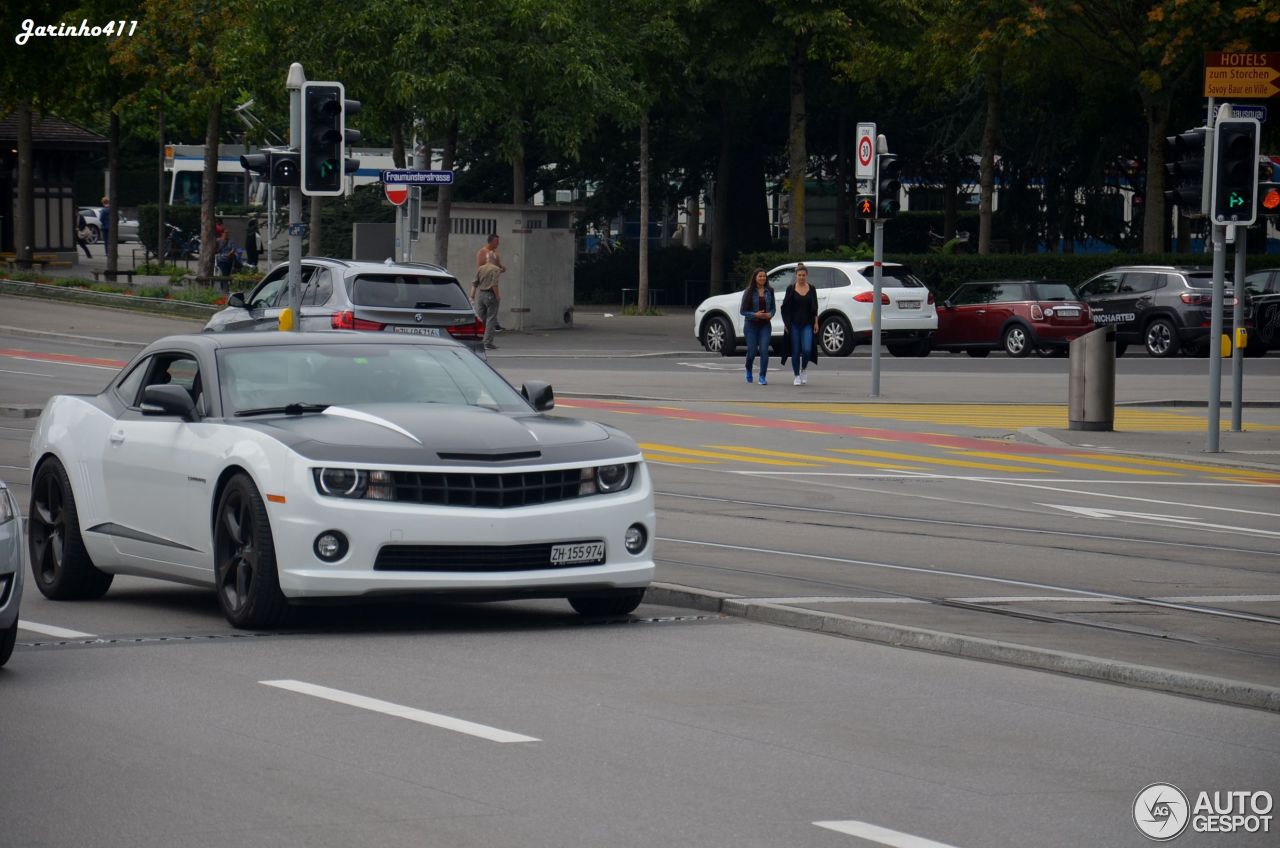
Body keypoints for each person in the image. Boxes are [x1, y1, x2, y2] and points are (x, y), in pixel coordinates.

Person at [780, 262, 820, 385]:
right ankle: (796, 375)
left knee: (807, 349)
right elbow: (785, 308)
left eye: (803, 275)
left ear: (806, 275)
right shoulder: (791, 289)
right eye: (799, 275)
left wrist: (816, 322)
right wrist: (786, 324)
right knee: (795, 351)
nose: (801, 277)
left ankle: (804, 369)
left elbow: (815, 307)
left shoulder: (812, 288)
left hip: (807, 324)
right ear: (796, 275)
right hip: (794, 325)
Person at [739, 267, 775, 385]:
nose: (762, 278)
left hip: (765, 325)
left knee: (764, 350)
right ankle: (748, 368)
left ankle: (762, 376)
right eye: (760, 276)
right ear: (755, 278)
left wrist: (770, 314)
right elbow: (743, 311)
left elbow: (773, 308)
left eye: (764, 276)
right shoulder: (749, 291)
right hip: (751, 325)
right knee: (752, 351)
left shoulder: (770, 291)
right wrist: (755, 314)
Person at [472, 253, 502, 350]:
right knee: (491, 318)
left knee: (481, 318)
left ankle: (479, 339)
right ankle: (488, 342)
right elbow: (494, 284)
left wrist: (472, 296)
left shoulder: (481, 268)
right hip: (490, 295)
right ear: (494, 259)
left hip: (481, 295)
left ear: (486, 259)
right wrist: (497, 296)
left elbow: (474, 283)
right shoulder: (495, 269)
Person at [476, 234, 506, 331]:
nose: (498, 243)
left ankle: (494, 325)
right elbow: (481, 268)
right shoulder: (483, 252)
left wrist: (501, 268)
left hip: (493, 281)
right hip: (486, 284)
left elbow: (498, 266)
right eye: (496, 241)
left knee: (492, 307)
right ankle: (485, 328)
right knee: (485, 309)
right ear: (491, 241)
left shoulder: (495, 253)